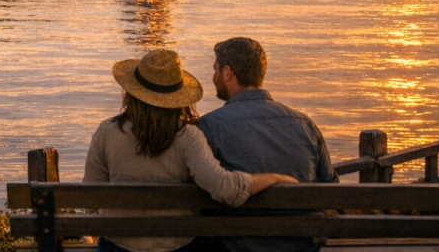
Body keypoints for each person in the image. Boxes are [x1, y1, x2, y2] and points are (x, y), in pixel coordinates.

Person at [84, 49, 297, 252]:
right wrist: (274, 177)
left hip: (117, 246)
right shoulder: (188, 137)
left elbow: (90, 200)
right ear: (177, 96)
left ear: (132, 92)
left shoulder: (107, 132)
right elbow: (225, 188)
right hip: (177, 246)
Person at [198, 38, 337, 252]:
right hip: (301, 246)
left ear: (227, 72)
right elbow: (328, 189)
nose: (214, 77)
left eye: (215, 70)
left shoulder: (210, 126)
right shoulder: (304, 124)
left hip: (237, 246)